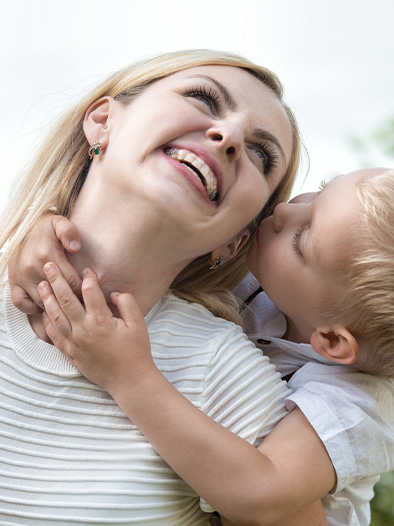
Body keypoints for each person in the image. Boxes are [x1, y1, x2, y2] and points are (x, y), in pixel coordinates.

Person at [0, 49, 331, 526]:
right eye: (203, 98)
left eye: (261, 155)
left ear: (236, 242)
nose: (230, 135)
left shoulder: (225, 375)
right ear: (102, 120)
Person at [13, 168, 394, 526]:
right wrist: (53, 235)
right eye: (323, 188)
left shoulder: (357, 404)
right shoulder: (274, 287)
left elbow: (260, 494)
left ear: (331, 341)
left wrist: (129, 375)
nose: (283, 211)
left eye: (303, 238)